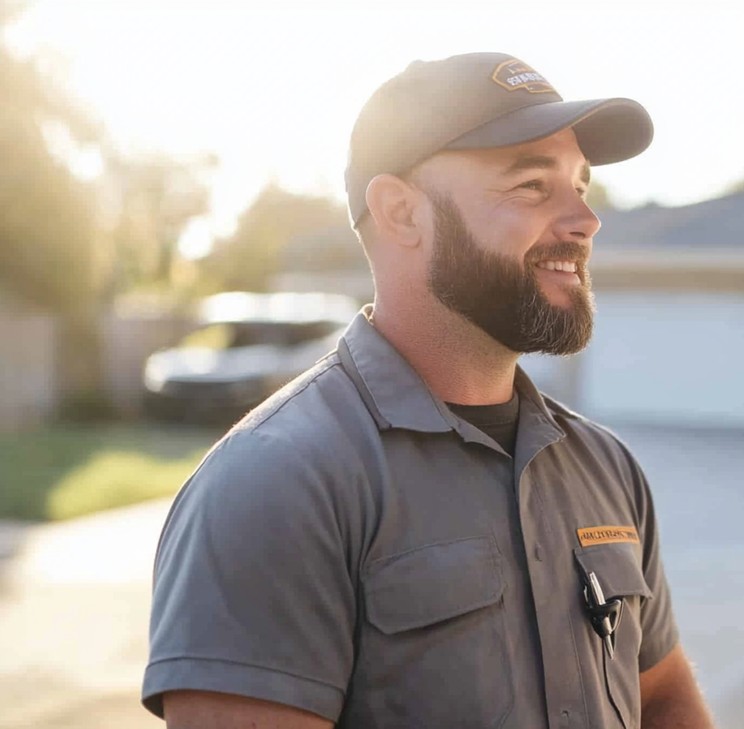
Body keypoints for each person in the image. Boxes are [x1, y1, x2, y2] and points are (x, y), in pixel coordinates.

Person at [143, 52, 714, 728]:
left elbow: (665, 696)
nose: (584, 221)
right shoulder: (273, 484)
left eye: (581, 185)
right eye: (533, 185)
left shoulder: (606, 469)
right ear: (401, 213)